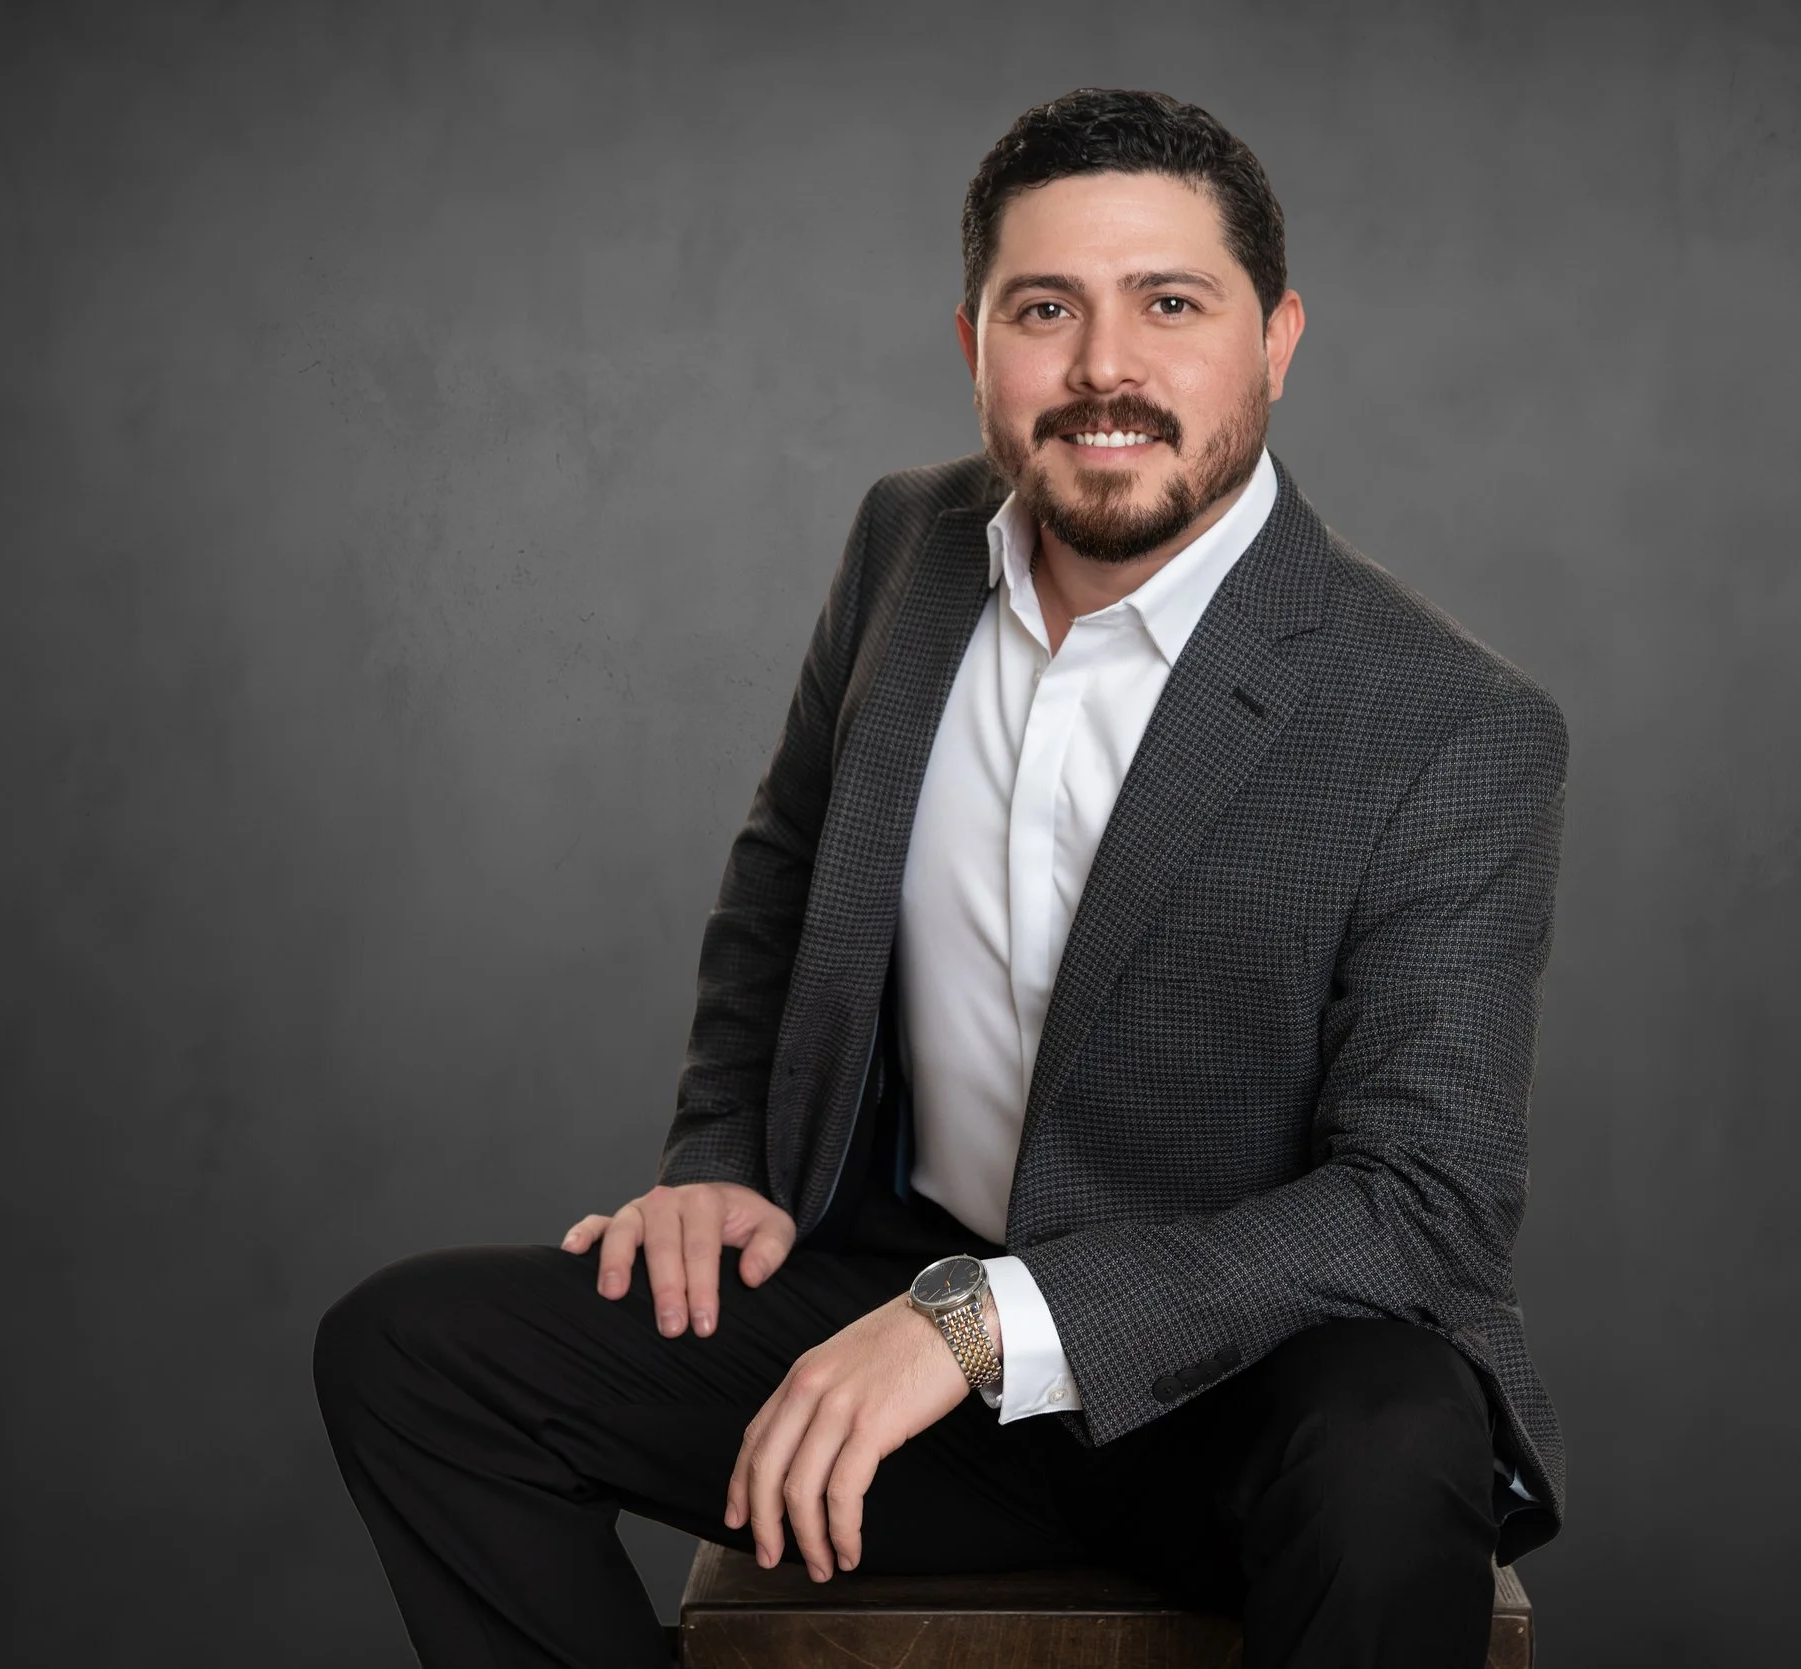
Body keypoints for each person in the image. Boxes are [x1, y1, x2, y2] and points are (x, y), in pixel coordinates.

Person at [314, 86, 1569, 1669]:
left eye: (1170, 304)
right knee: (410, 1357)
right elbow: (781, 876)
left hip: (1239, 1406)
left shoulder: (1448, 721)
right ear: (973, 338)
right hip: (900, 1354)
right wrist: (721, 1154)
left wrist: (977, 1327)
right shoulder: (905, 548)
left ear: (1278, 338)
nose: (1106, 366)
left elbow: (1423, 1210)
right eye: (1047, 309)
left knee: (1399, 1428)